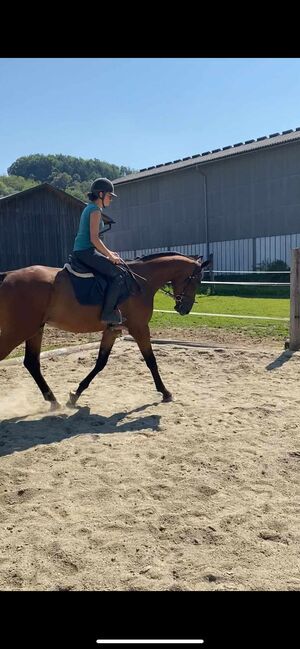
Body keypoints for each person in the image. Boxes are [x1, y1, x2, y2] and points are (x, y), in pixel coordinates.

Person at [72, 177, 127, 325]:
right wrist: (109, 256)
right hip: (86, 251)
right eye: (110, 196)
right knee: (118, 276)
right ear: (101, 194)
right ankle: (108, 313)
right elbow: (94, 239)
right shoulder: (95, 210)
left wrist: (109, 253)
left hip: (83, 250)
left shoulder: (90, 208)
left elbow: (96, 241)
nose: (111, 199)